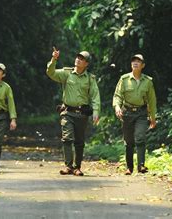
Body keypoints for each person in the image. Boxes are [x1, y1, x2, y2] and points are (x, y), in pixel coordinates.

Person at [46, 48, 101, 176]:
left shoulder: (90, 79)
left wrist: (96, 112)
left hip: (82, 114)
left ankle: (77, 167)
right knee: (67, 138)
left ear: (86, 63)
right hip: (67, 112)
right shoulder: (67, 73)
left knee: (79, 141)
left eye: (82, 59)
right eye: (77, 57)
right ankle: (68, 166)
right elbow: (51, 73)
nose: (78, 60)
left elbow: (95, 96)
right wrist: (53, 59)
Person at [113, 54, 157, 175]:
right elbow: (117, 96)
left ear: (143, 65)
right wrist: (117, 107)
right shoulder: (124, 79)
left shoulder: (148, 81)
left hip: (141, 113)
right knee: (128, 141)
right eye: (133, 61)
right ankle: (129, 167)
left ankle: (141, 165)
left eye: (138, 61)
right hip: (127, 112)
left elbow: (152, 101)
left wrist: (153, 118)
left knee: (140, 137)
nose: (135, 63)